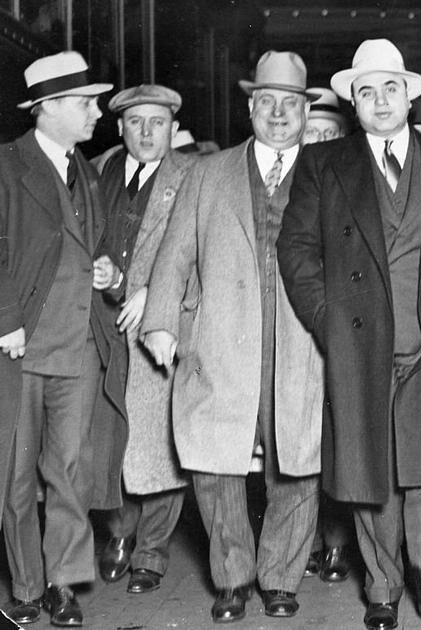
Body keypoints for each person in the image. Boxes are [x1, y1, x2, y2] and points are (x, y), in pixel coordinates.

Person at [276, 38, 421, 630]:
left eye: (389, 88)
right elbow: (296, 250)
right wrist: (327, 318)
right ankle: (382, 584)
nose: (379, 100)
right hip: (361, 340)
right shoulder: (323, 165)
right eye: (366, 91)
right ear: (353, 102)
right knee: (370, 464)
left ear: (408, 95)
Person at [141, 51, 324, 623]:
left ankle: (279, 577)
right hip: (221, 337)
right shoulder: (208, 171)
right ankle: (231, 577)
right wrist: (163, 322)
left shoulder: (329, 171)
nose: (277, 113)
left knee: (299, 461)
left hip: (302, 341)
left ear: (304, 110)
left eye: (289, 104)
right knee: (213, 463)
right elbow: (174, 256)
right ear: (250, 106)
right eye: (266, 102)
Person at [0, 51, 125, 628]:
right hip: (20, 348)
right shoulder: (7, 166)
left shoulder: (87, 171)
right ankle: (25, 585)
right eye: (84, 103)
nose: (95, 112)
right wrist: (5, 319)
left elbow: (88, 245)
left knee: (69, 470)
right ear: (47, 108)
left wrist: (109, 272)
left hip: (77, 346)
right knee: (17, 474)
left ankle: (62, 583)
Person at [92, 84, 195, 595]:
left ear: (174, 127)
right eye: (137, 123)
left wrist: (153, 293)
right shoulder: (100, 169)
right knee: (113, 436)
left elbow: (202, 251)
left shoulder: (192, 176)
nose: (148, 132)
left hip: (159, 328)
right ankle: (118, 534)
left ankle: (150, 552)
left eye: (158, 122)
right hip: (101, 327)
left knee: (160, 445)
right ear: (120, 128)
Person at [299, 85, 355, 585]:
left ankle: (336, 544)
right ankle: (309, 544)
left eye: (328, 134)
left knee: (337, 442)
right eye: (309, 133)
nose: (317, 142)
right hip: (300, 326)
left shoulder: (350, 178)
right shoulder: (286, 179)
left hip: (342, 332)